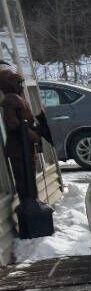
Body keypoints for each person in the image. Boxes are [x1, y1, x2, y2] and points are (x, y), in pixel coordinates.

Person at [1, 69, 53, 239]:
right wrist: (33, 135)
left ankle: (32, 205)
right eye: (18, 83)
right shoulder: (10, 100)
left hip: (25, 147)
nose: (21, 86)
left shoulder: (19, 98)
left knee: (29, 179)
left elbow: (25, 122)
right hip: (19, 149)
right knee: (24, 180)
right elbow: (14, 124)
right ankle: (28, 209)